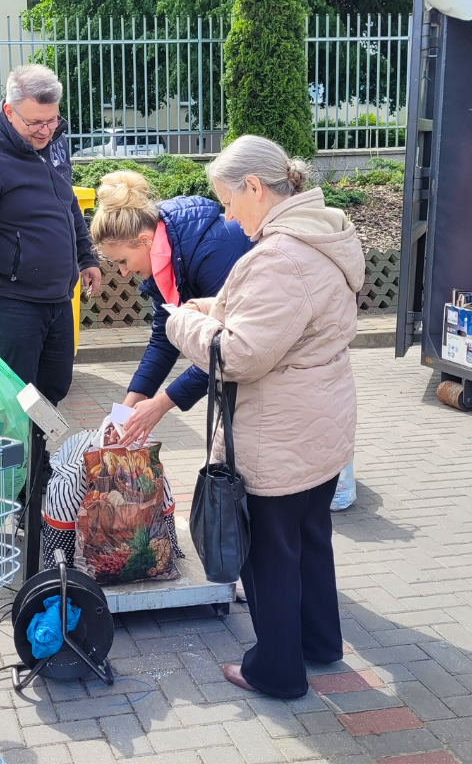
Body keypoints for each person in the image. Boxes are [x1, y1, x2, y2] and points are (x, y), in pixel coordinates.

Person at [166, 135, 364, 699]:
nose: (228, 216)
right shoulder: (321, 233)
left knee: (269, 554)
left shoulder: (279, 256)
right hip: (319, 425)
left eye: (229, 201)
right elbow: (278, 315)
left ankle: (276, 671)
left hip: (278, 431)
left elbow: (240, 354)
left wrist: (183, 323)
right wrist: (215, 309)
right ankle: (320, 644)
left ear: (256, 187)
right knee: (309, 536)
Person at [0, 63, 101, 507]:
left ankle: (36, 466)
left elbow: (67, 203)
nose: (46, 130)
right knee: (18, 399)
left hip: (55, 298)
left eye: (53, 120)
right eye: (35, 122)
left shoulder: (53, 142)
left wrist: (85, 256)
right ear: (9, 111)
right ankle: (23, 490)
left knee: (53, 387)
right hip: (8, 300)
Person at [87, 170, 251, 446]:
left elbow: (229, 348)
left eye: (123, 261)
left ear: (144, 241)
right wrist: (125, 409)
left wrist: (162, 403)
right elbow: (165, 340)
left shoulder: (210, 250)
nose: (124, 273)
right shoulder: (166, 256)